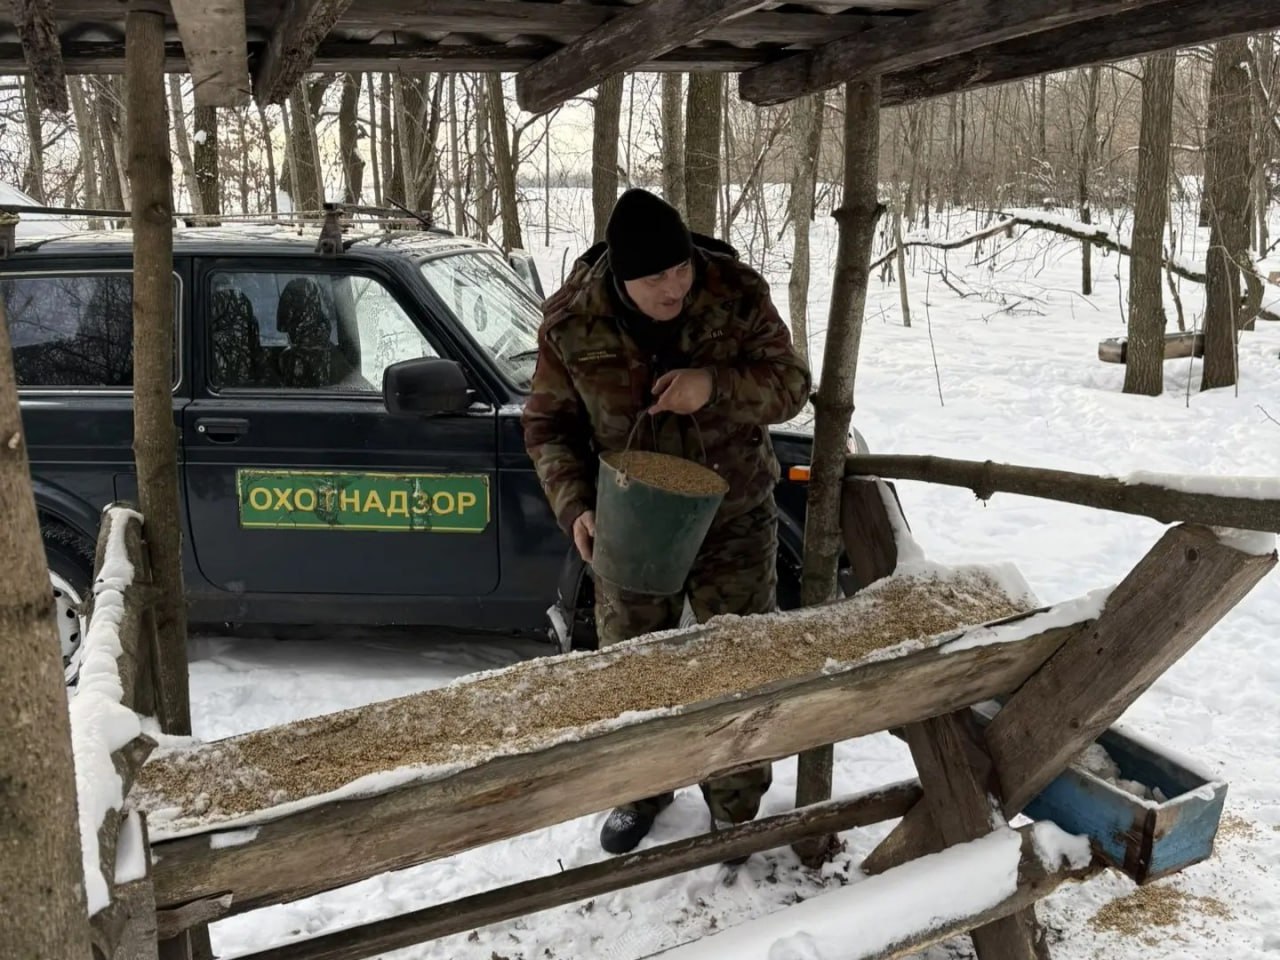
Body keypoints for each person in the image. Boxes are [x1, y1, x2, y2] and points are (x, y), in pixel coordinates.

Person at [521, 188, 811, 856]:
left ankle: (735, 807)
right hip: (631, 520)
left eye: (681, 269)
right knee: (634, 668)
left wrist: (714, 386)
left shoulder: (734, 291)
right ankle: (642, 791)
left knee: (739, 661)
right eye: (655, 277)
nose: (674, 286)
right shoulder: (573, 322)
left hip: (732, 513)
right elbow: (548, 426)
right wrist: (575, 506)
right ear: (622, 277)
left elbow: (792, 382)